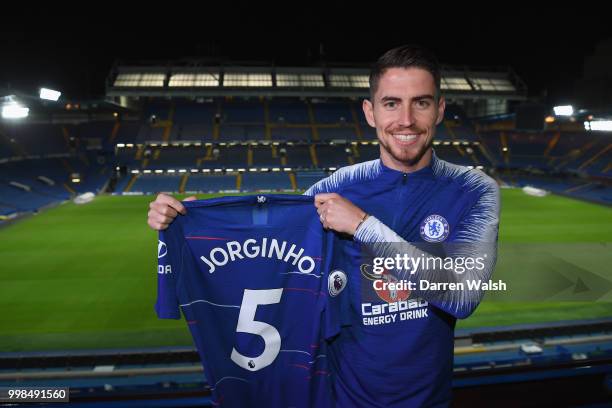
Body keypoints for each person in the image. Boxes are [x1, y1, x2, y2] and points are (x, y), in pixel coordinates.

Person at [147, 45, 500, 407]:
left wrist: (362, 225)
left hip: (430, 401)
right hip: (339, 398)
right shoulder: (332, 190)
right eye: (391, 103)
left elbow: (462, 293)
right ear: (370, 112)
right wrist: (191, 223)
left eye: (421, 103)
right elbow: (267, 249)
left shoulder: (474, 190)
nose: (406, 119)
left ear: (440, 109)